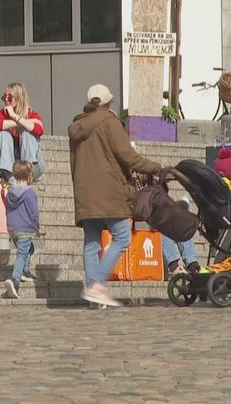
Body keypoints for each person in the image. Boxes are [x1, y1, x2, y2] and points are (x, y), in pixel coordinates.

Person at [69, 84, 161, 307]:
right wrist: (154, 166)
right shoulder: (109, 122)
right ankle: (97, 285)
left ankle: (93, 295)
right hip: (109, 190)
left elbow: (73, 164)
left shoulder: (77, 126)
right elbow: (128, 156)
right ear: (109, 102)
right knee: (122, 237)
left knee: (91, 243)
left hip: (85, 191)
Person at [0, 82, 45, 183]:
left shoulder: (30, 113)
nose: (6, 100)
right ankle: (12, 178)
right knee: (1, 133)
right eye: (4, 97)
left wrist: (15, 117)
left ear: (19, 98)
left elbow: (39, 130)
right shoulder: (1, 113)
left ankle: (26, 171)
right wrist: (21, 122)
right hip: (8, 167)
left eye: (10, 97)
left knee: (27, 131)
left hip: (33, 166)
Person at [2, 160, 40, 299]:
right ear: (29, 175)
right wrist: (36, 226)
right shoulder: (29, 193)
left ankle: (25, 271)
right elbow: (33, 212)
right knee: (22, 254)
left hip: (13, 228)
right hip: (26, 228)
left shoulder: (10, 192)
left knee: (29, 248)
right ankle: (15, 279)